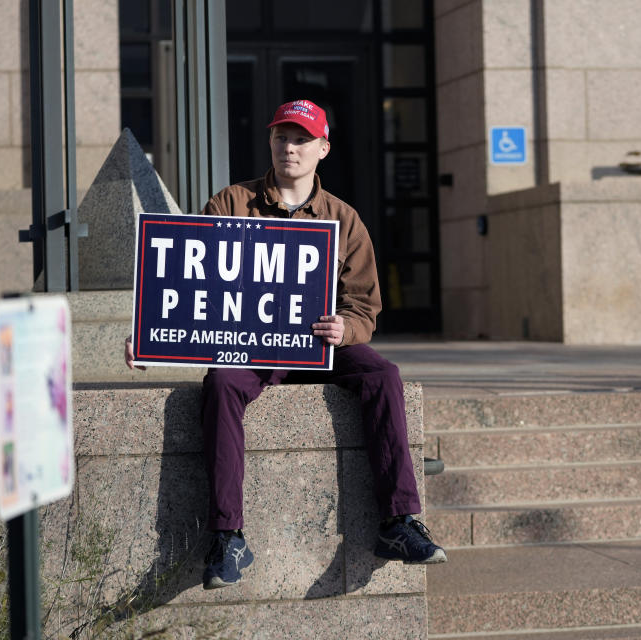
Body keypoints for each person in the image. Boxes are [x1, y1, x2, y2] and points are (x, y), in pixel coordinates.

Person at [125, 99, 446, 590]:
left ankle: (397, 523)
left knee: (383, 375)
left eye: (300, 139)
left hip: (320, 346)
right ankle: (227, 534)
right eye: (281, 137)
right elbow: (194, 287)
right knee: (223, 383)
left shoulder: (345, 220)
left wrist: (346, 329)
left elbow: (365, 307)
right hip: (252, 349)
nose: (289, 148)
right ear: (270, 143)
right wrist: (153, 336)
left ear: (323, 149)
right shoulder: (230, 203)